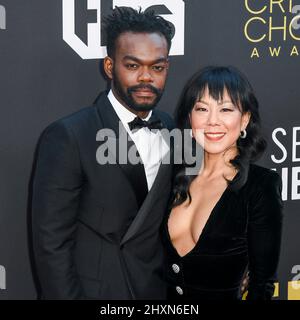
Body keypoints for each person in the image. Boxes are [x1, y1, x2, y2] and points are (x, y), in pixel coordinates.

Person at [31, 7, 174, 299]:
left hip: (155, 290)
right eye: (133, 66)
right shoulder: (69, 136)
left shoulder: (172, 127)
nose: (146, 78)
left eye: (157, 67)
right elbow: (51, 244)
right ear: (110, 67)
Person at [162, 66, 283, 300]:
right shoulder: (174, 175)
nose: (213, 121)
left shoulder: (260, 187)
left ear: (245, 119)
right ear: (190, 117)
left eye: (226, 109)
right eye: (202, 109)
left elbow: (262, 284)